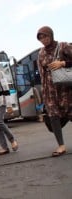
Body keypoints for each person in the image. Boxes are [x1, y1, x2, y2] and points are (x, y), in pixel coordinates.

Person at [36, 26, 72, 157]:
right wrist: (44, 94)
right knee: (53, 116)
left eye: (45, 36)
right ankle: (61, 145)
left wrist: (63, 63)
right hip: (50, 90)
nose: (43, 40)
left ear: (51, 35)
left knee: (69, 111)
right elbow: (42, 74)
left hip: (65, 89)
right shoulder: (40, 53)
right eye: (40, 38)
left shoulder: (63, 46)